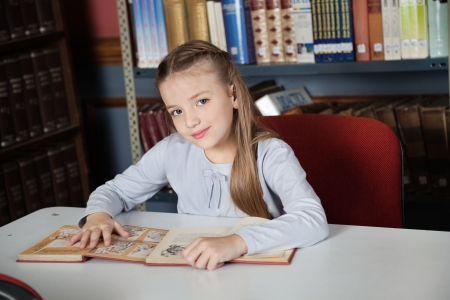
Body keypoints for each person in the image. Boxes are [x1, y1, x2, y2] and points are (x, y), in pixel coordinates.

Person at [68, 40, 329, 270]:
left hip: (259, 272)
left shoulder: (271, 153)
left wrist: (237, 242)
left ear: (233, 95)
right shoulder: (173, 150)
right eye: (177, 111)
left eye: (202, 101)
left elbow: (312, 219)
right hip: (193, 270)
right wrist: (98, 215)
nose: (190, 121)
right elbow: (115, 191)